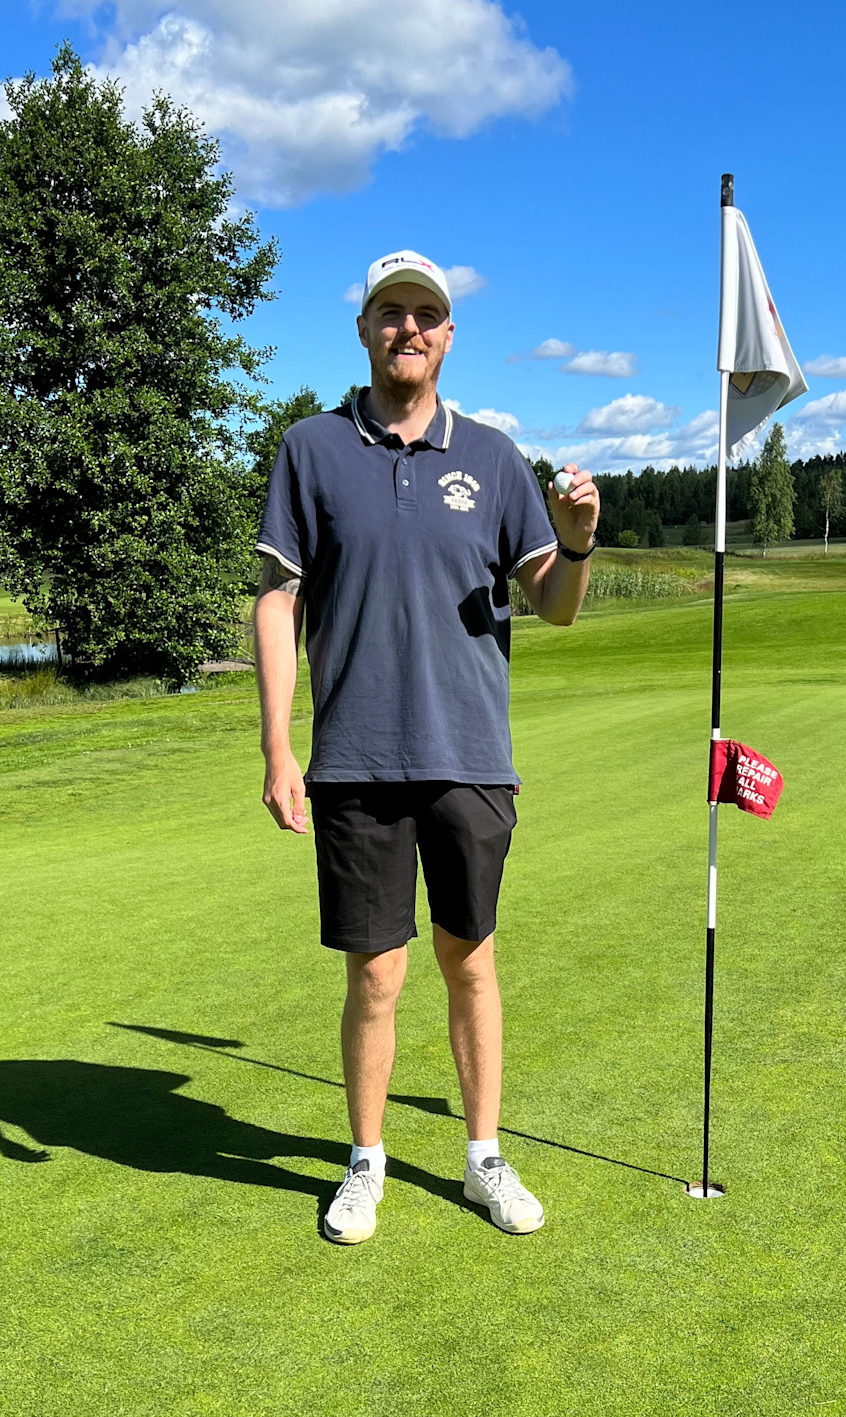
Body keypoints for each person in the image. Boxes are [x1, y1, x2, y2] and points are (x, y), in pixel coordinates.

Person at [252, 250, 599, 1243]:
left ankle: (484, 1156)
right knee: (375, 974)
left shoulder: (492, 458)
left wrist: (576, 541)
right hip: (355, 758)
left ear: (449, 336)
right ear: (365, 330)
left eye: (427, 316)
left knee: (470, 960)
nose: (409, 329)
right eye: (391, 314)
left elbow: (555, 606)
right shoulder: (311, 448)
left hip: (470, 757)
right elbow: (279, 599)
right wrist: (279, 747)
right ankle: (366, 1163)